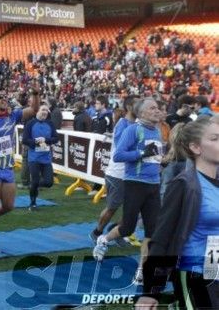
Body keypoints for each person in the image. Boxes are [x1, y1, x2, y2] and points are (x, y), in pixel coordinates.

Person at [136, 115, 219, 310]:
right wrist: (151, 292)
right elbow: (162, 237)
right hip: (192, 270)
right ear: (196, 148)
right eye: (215, 139)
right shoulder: (184, 184)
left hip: (213, 265)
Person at [93, 98, 163, 286]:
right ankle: (103, 239)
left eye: (158, 108)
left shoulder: (157, 131)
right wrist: (141, 153)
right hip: (135, 183)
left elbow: (155, 157)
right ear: (141, 113)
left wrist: (161, 161)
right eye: (153, 108)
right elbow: (118, 155)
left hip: (154, 184)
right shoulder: (133, 130)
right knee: (128, 228)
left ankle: (142, 270)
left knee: (152, 231)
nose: (157, 111)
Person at [0, 84, 39, 254]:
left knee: (9, 206)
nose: (4, 99)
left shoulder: (13, 115)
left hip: (8, 168)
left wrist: (35, 93)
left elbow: (34, 109)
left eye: (6, 96)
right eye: (0, 97)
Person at [89, 95, 138, 245]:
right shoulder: (123, 124)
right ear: (130, 107)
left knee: (134, 209)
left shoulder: (135, 124)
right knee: (112, 208)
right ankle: (97, 232)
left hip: (132, 174)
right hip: (118, 174)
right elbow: (121, 150)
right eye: (139, 105)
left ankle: (117, 231)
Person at [22, 104, 58, 210]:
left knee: (49, 182)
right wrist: (36, 142)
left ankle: (33, 185)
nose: (45, 112)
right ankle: (32, 203)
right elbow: (25, 140)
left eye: (47, 110)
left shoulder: (50, 124)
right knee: (35, 180)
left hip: (46, 158)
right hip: (34, 158)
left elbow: (56, 138)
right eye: (43, 109)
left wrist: (46, 140)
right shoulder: (30, 123)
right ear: (37, 111)